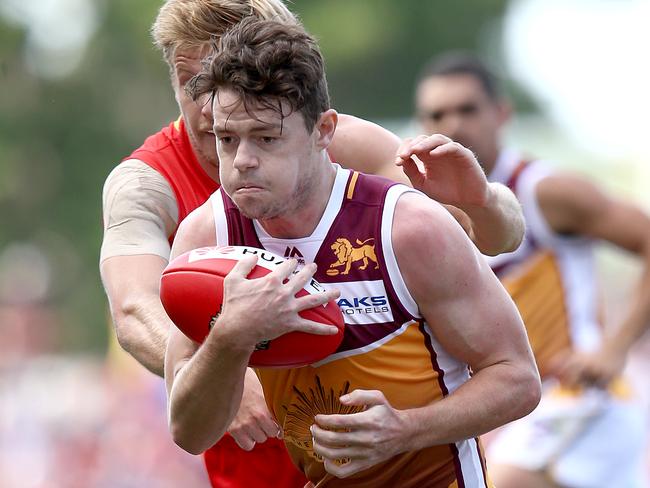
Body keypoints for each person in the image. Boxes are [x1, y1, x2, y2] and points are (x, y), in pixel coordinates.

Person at [100, 1, 527, 487]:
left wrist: (485, 201)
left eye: (239, 68)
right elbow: (136, 310)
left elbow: (483, 235)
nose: (209, 101)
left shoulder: (351, 153)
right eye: (192, 79)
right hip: (252, 451)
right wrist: (228, 354)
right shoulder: (151, 187)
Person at [414, 52, 650, 488]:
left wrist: (615, 348)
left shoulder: (544, 191)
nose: (453, 125)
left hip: (579, 400)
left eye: (468, 109)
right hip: (510, 415)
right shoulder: (421, 214)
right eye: (437, 113)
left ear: (502, 114)